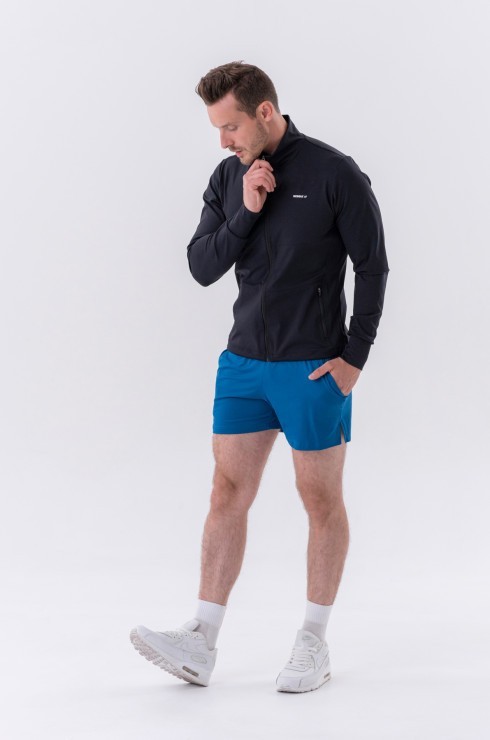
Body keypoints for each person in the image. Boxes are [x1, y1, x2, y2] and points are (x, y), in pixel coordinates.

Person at [130, 61, 389, 693]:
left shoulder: (334, 173)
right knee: (226, 493)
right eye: (218, 129)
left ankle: (313, 642)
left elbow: (373, 266)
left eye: (231, 127)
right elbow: (201, 267)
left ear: (265, 112)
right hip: (243, 365)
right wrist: (245, 210)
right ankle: (202, 639)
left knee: (319, 500)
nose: (223, 141)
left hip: (313, 367)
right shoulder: (228, 178)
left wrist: (354, 359)